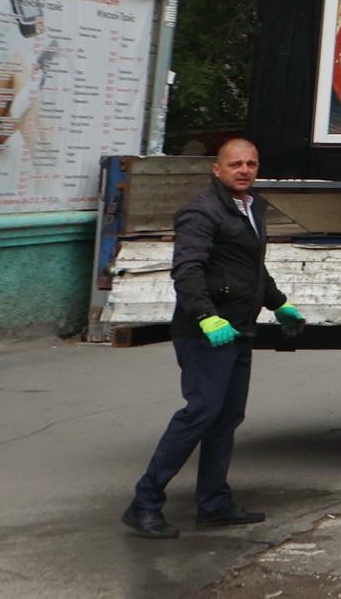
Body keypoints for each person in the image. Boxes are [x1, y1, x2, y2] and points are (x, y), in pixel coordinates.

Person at [121, 138, 303, 538]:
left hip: (239, 328)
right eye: (235, 163)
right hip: (206, 332)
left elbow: (249, 268)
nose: (244, 170)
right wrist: (207, 317)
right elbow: (187, 271)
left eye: (251, 163)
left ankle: (214, 504)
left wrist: (278, 303)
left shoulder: (251, 208)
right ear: (216, 170)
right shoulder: (200, 212)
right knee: (200, 413)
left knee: (226, 418)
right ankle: (145, 502)